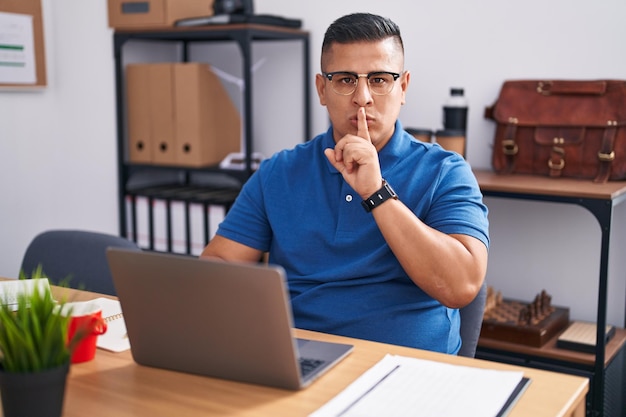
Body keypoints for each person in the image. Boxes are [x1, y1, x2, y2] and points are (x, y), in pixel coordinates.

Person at [201, 12, 489, 354]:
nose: (362, 97)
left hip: (407, 372)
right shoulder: (278, 172)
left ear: (403, 87)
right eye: (345, 80)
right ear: (322, 89)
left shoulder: (445, 171)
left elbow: (462, 285)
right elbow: (216, 269)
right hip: (298, 362)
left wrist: (376, 192)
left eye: (380, 79)